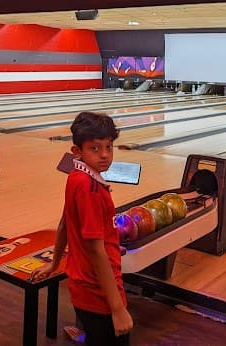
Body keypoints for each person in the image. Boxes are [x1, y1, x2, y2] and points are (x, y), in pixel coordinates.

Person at [33, 112, 133, 345]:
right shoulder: (90, 189)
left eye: (109, 146)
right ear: (76, 151)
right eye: (94, 149)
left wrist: (55, 262)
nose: (105, 155)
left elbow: (64, 222)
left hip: (83, 285)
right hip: (99, 293)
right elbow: (95, 250)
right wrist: (117, 308)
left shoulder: (76, 176)